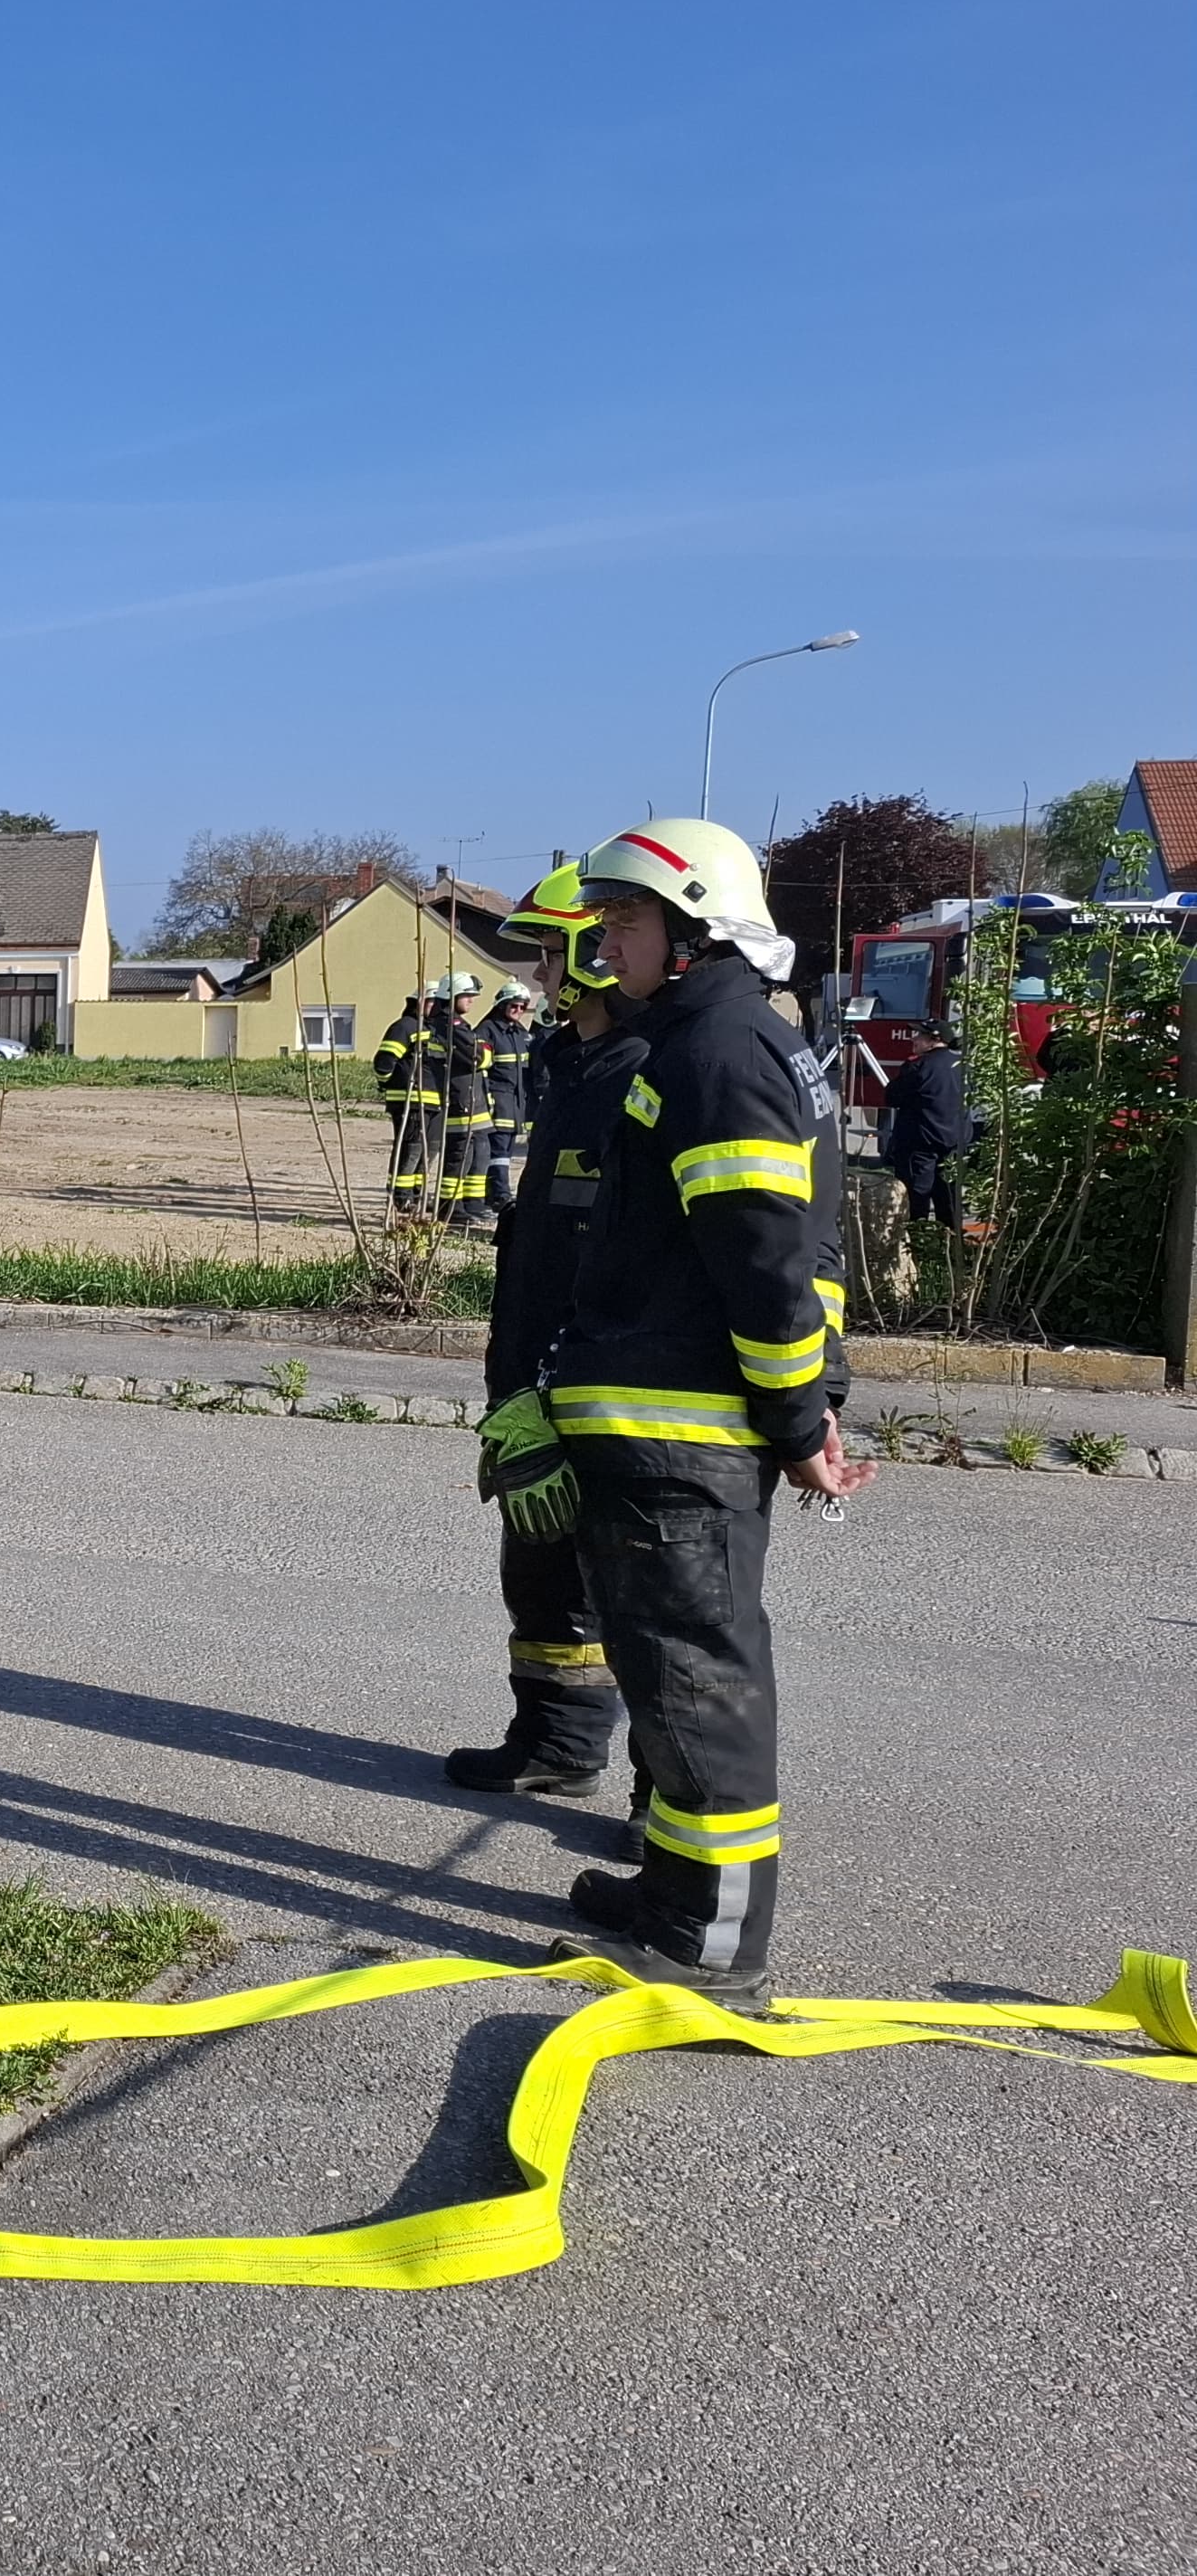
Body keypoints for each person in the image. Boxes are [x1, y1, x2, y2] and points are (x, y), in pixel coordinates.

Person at [508, 817, 873, 1997]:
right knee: (668, 1682)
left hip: (687, 1437)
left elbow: (767, 1270)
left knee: (692, 1685)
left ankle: (702, 1947)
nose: (604, 941)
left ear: (694, 926)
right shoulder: (709, 1041)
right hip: (666, 1428)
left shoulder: (718, 1055)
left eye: (624, 919)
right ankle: (671, 1891)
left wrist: (800, 1420)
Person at [447, 870, 641, 1800]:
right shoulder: (569, 1058)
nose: (539, 969)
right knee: (543, 1568)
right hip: (533, 1370)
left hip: (612, 1375)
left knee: (642, 1601)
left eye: (551, 950)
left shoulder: (654, 1068)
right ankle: (557, 1743)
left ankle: (670, 1803)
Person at [879, 1031, 974, 1234]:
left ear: (935, 1041)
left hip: (920, 1144)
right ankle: (950, 1247)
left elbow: (893, 1097)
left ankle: (916, 1246)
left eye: (919, 1037)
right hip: (954, 1143)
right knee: (949, 1199)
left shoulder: (919, 1066)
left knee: (916, 1200)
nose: (913, 1040)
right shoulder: (963, 1065)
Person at [439, 973, 497, 1225]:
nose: (472, 1000)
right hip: (459, 1099)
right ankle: (450, 1208)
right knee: (458, 1157)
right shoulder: (452, 1026)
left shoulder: (452, 1024)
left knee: (472, 1153)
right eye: (467, 995)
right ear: (452, 996)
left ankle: (465, 1205)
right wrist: (484, 1050)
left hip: (468, 1097)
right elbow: (480, 1057)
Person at [373, 990, 439, 1212]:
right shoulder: (405, 1026)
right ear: (417, 1003)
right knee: (410, 1149)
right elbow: (384, 1062)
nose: (435, 1007)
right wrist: (389, 1084)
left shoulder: (434, 1029)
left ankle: (418, 1196)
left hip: (432, 1102)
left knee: (426, 1152)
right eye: (431, 1002)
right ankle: (401, 1198)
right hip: (409, 1100)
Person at [479, 979, 537, 1213]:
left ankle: (494, 1193)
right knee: (498, 1151)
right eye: (514, 1005)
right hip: (497, 1099)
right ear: (502, 1004)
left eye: (523, 1007)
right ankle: (500, 1194)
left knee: (505, 1151)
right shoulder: (487, 1031)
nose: (519, 1011)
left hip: (515, 1102)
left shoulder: (520, 1033)